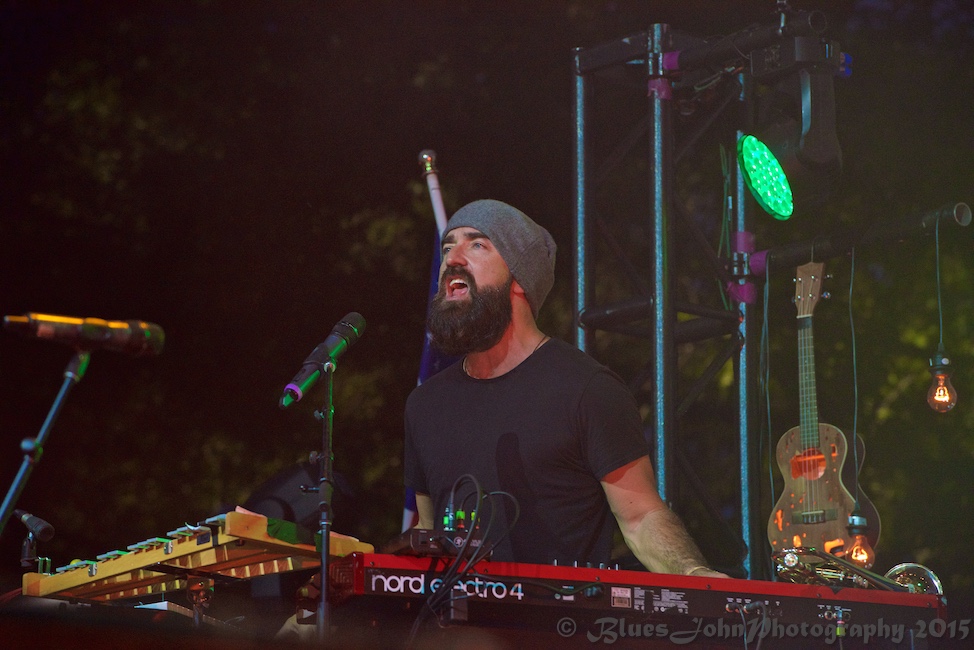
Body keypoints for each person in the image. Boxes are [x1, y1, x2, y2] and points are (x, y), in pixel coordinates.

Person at [404, 198, 727, 579]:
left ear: (520, 279)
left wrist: (693, 573)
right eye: (448, 247)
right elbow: (429, 535)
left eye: (477, 244)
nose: (452, 259)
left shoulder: (586, 389)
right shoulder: (425, 404)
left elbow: (640, 517)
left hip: (556, 615)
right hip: (453, 617)